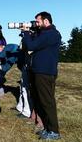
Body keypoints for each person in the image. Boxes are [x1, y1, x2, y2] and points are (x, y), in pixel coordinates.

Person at [21, 11, 62, 140]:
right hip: (38, 71)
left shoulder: (51, 34)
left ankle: (54, 131)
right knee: (40, 101)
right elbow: (30, 45)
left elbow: (32, 45)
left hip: (45, 72)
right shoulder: (43, 33)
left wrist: (27, 32)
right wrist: (29, 33)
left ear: (46, 21)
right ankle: (47, 128)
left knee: (47, 102)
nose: (36, 24)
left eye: (38, 21)